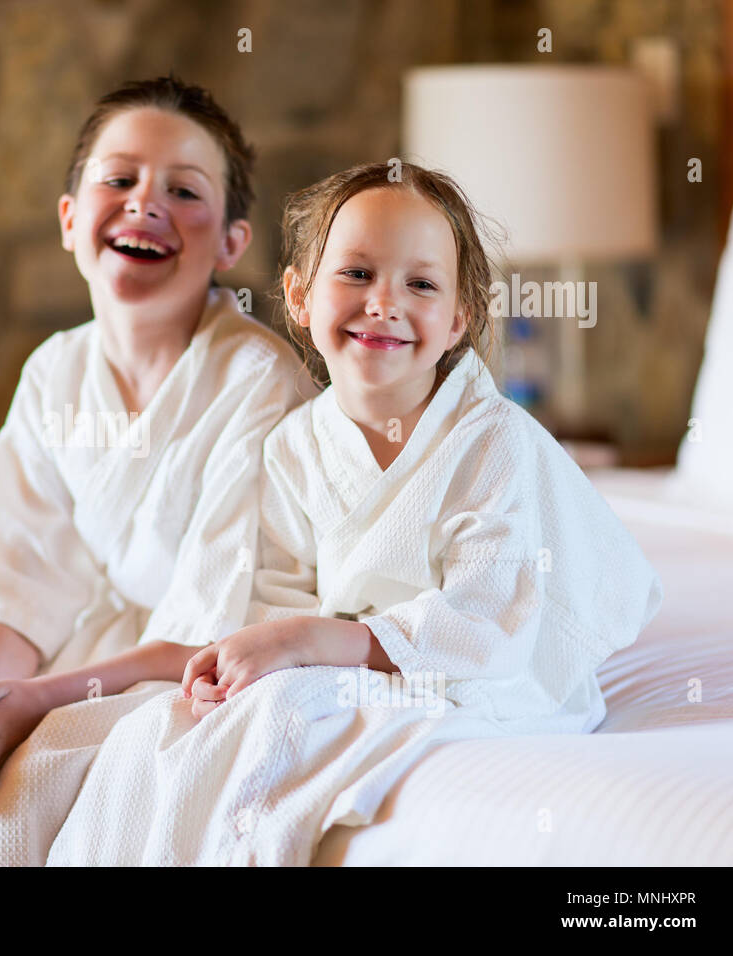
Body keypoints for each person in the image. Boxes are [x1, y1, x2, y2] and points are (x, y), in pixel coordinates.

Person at [37, 161, 662, 865]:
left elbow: (488, 618)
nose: (384, 303)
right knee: (161, 732)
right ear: (300, 296)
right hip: (349, 662)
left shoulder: (493, 441)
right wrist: (253, 661)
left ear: (458, 319)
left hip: (495, 676)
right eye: (357, 274)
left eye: (420, 284)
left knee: (279, 720)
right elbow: (278, 599)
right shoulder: (295, 446)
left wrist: (314, 645)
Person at [0, 76, 309, 864]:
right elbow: (16, 565)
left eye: (184, 191)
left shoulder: (259, 382)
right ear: (68, 220)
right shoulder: (57, 372)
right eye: (118, 179)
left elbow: (214, 624)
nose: (145, 203)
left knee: (24, 792)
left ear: (231, 242)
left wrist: (39, 705)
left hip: (188, 675)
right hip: (81, 658)